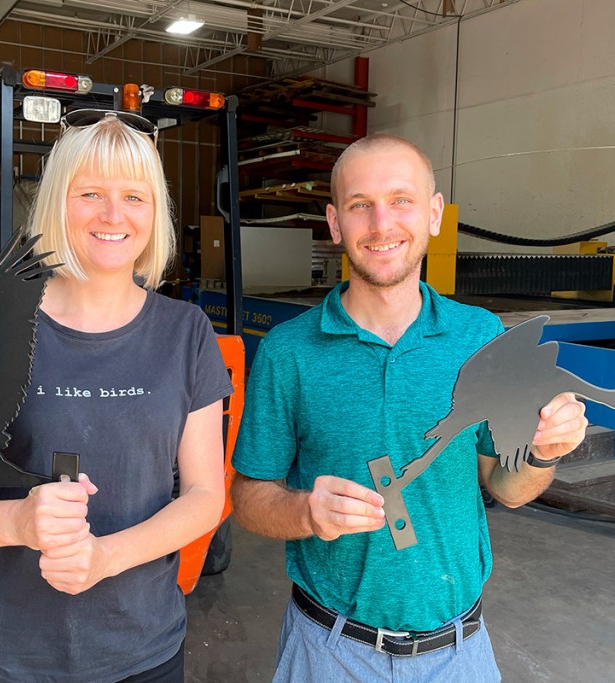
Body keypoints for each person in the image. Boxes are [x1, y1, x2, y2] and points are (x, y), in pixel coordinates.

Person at [0, 110, 233, 683]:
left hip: (139, 652)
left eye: (134, 196)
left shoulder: (186, 332)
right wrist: (18, 522)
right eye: (90, 193)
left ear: (156, 214)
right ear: (56, 203)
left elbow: (203, 495)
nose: (112, 215)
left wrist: (107, 558)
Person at [230, 134, 588, 682]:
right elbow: (250, 499)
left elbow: (507, 487)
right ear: (334, 224)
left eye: (401, 200)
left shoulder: (481, 337)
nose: (381, 224)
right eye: (360, 206)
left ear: (435, 214)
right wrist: (305, 512)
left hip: (458, 654)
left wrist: (543, 453)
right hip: (327, 651)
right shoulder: (289, 352)